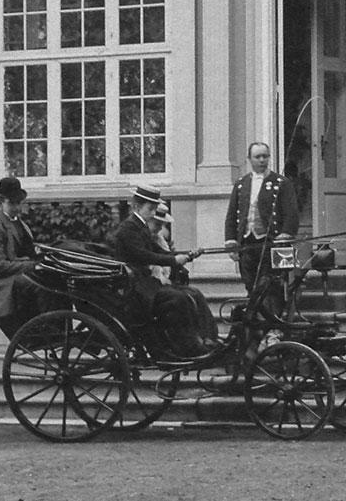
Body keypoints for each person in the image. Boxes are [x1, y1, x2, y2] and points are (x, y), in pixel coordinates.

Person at [109, 185, 209, 359]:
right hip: (135, 287)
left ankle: (206, 339)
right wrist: (173, 260)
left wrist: (184, 256)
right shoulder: (128, 228)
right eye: (150, 208)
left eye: (155, 208)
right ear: (137, 207)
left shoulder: (140, 226)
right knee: (178, 298)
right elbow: (143, 255)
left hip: (145, 284)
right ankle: (186, 346)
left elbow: (158, 251)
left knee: (194, 293)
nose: (153, 212)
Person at [224, 142, 299, 318]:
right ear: (249, 159)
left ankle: (274, 328)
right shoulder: (241, 184)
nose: (262, 160)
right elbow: (232, 214)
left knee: (273, 286)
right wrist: (231, 241)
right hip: (248, 243)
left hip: (273, 243)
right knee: (251, 284)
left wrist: (285, 235)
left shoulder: (281, 182)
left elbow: (292, 213)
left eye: (265, 156)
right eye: (258, 157)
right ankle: (256, 324)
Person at [0, 176, 42, 339]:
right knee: (37, 287)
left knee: (51, 280)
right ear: (1, 202)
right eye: (11, 203)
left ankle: (57, 326)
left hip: (15, 275)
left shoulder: (21, 225)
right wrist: (32, 265)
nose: (16, 207)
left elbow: (30, 251)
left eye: (18, 202)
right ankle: (40, 326)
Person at [148, 201, 218, 347]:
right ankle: (190, 343)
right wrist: (174, 261)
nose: (160, 228)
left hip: (162, 282)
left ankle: (209, 337)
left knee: (195, 292)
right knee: (181, 298)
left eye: (162, 225)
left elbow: (168, 256)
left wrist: (189, 256)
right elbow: (155, 260)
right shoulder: (142, 238)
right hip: (150, 285)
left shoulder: (159, 240)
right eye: (157, 224)